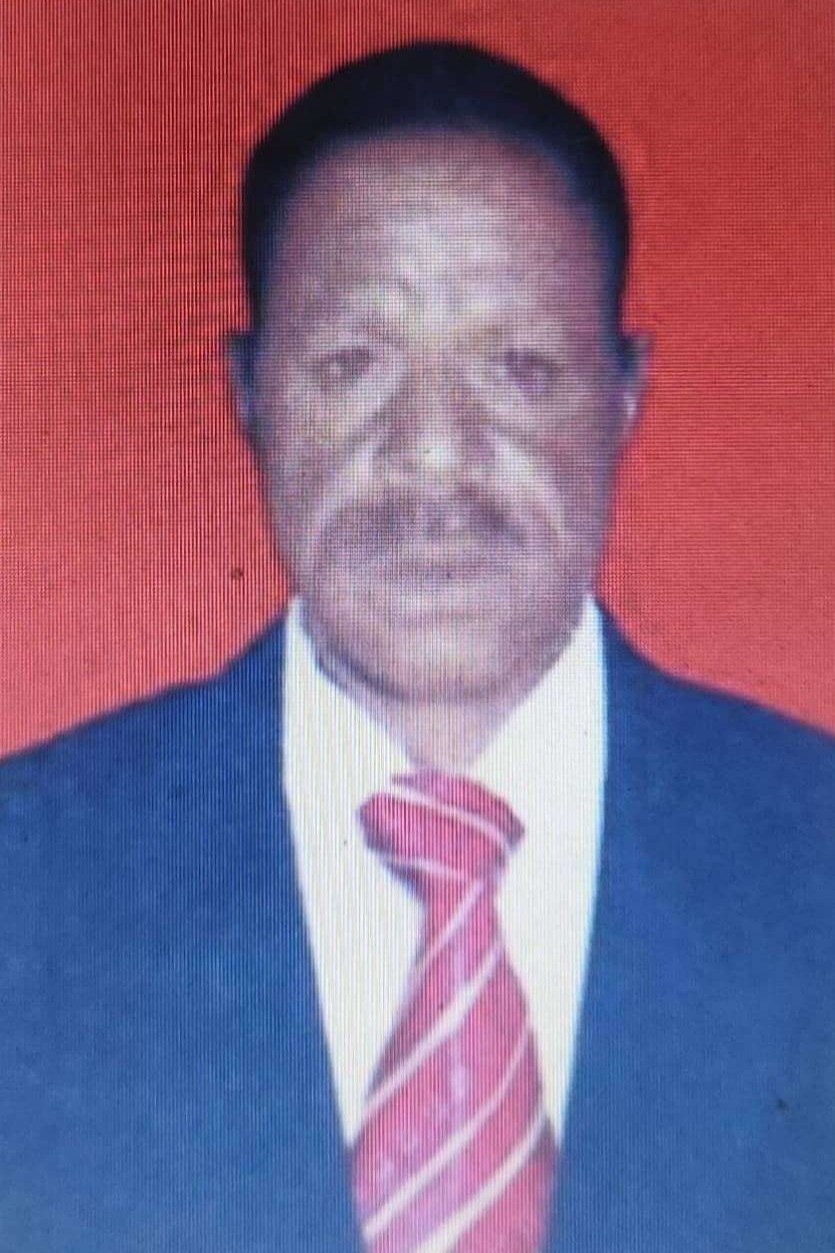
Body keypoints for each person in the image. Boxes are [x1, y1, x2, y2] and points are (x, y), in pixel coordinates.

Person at [0, 40, 833, 1253]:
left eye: (519, 368)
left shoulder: (813, 851)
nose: (434, 453)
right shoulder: (26, 879)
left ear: (623, 394)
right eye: (353, 364)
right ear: (249, 391)